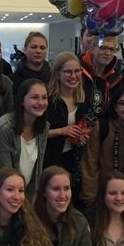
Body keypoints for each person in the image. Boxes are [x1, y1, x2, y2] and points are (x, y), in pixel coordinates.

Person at [0, 79, 49, 201]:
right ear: (22, 100)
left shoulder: (43, 128)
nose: (41, 102)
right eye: (35, 97)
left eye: (44, 98)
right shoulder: (3, 128)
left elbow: (36, 174)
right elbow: (5, 173)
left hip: (23, 196)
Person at [44, 52, 92, 196]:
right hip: (49, 160)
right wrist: (61, 131)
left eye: (77, 71)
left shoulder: (83, 100)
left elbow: (85, 126)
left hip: (72, 159)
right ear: (58, 74)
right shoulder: (47, 100)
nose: (73, 76)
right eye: (68, 72)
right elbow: (33, 133)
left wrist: (82, 137)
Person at [79, 31, 122, 117]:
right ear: (91, 49)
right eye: (103, 48)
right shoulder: (77, 71)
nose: (108, 53)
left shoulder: (115, 78)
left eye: (112, 49)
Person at [11, 31, 50, 97]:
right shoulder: (12, 81)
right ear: (25, 50)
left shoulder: (55, 80)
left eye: (42, 48)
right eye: (34, 47)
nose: (38, 51)